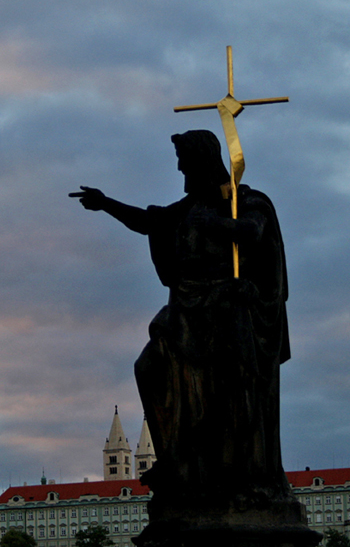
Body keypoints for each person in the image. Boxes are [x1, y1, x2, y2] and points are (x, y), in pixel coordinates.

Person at [71, 129, 289, 497]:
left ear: (201, 162)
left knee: (234, 387)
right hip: (187, 307)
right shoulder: (189, 207)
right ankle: (174, 457)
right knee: (148, 368)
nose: (180, 170)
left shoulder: (246, 199)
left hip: (228, 308)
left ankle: (242, 472)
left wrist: (216, 224)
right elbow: (148, 222)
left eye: (184, 163)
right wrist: (105, 203)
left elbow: (253, 232)